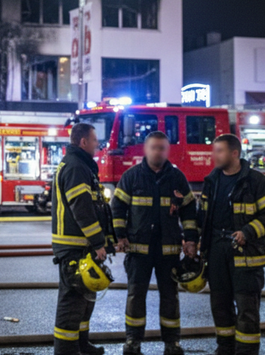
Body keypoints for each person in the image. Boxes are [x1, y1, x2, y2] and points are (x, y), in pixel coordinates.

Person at [111, 131, 198, 355]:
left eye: (162, 148)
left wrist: (190, 240)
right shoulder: (131, 177)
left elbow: (189, 210)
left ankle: (172, 343)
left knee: (170, 296)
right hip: (138, 250)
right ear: (145, 149)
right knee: (135, 295)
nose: (157, 151)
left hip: (168, 251)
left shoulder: (177, 178)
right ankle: (133, 342)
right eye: (153, 147)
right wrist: (120, 235)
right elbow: (118, 207)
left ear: (167, 150)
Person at [198, 134, 265, 355]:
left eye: (219, 151)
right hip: (217, 251)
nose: (214, 156)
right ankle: (225, 348)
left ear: (234, 153)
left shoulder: (256, 182)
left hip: (246, 254)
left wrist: (248, 232)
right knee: (220, 305)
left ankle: (246, 352)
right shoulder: (212, 181)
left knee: (247, 308)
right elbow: (202, 217)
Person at [51, 123, 115, 355]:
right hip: (74, 247)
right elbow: (82, 209)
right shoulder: (76, 167)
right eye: (95, 140)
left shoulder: (81, 165)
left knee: (85, 299)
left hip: (81, 245)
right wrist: (98, 242)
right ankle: (66, 351)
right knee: (71, 303)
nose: (98, 145)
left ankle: (80, 345)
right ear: (83, 142)